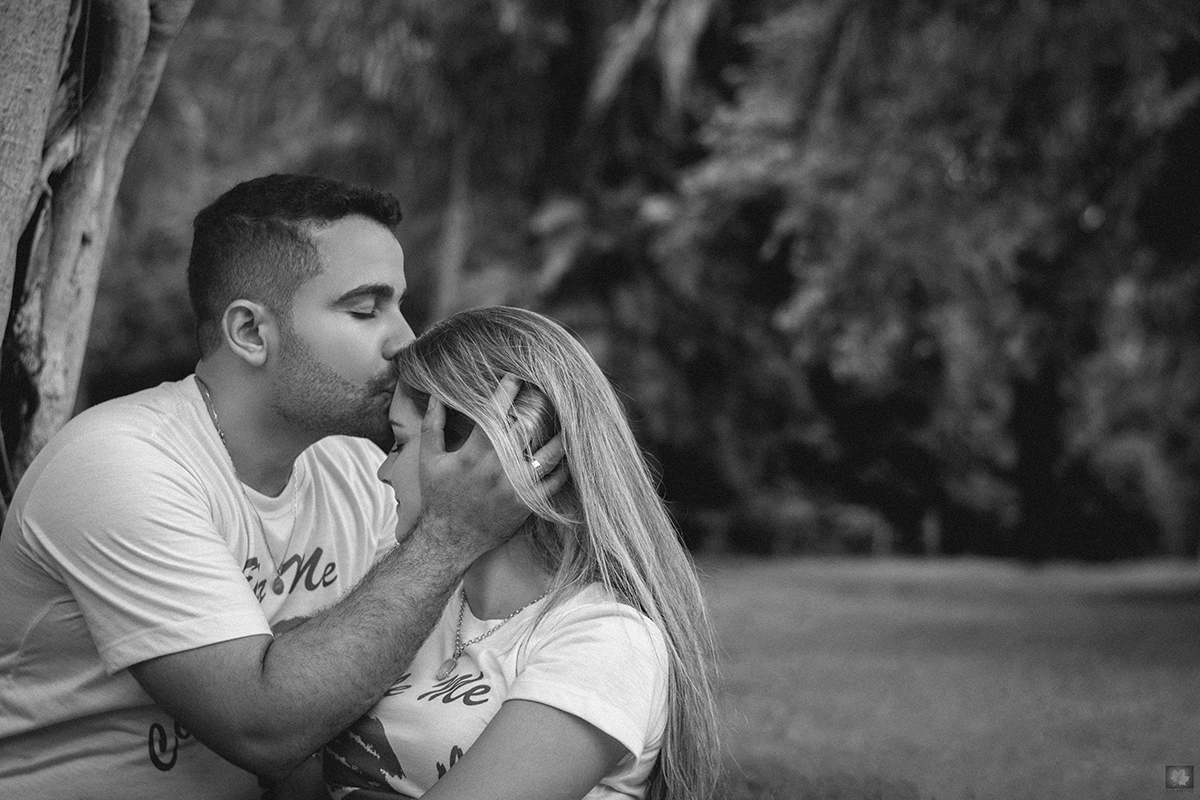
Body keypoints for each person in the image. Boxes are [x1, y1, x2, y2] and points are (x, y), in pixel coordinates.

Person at [0, 175, 563, 798]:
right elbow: (263, 729)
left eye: (400, 305)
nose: (406, 339)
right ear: (249, 333)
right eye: (365, 310)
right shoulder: (120, 464)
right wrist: (450, 536)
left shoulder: (358, 469)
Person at [322, 306, 722, 800]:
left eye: (399, 444)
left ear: (482, 455)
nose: (383, 472)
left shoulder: (605, 640)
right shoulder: (410, 594)